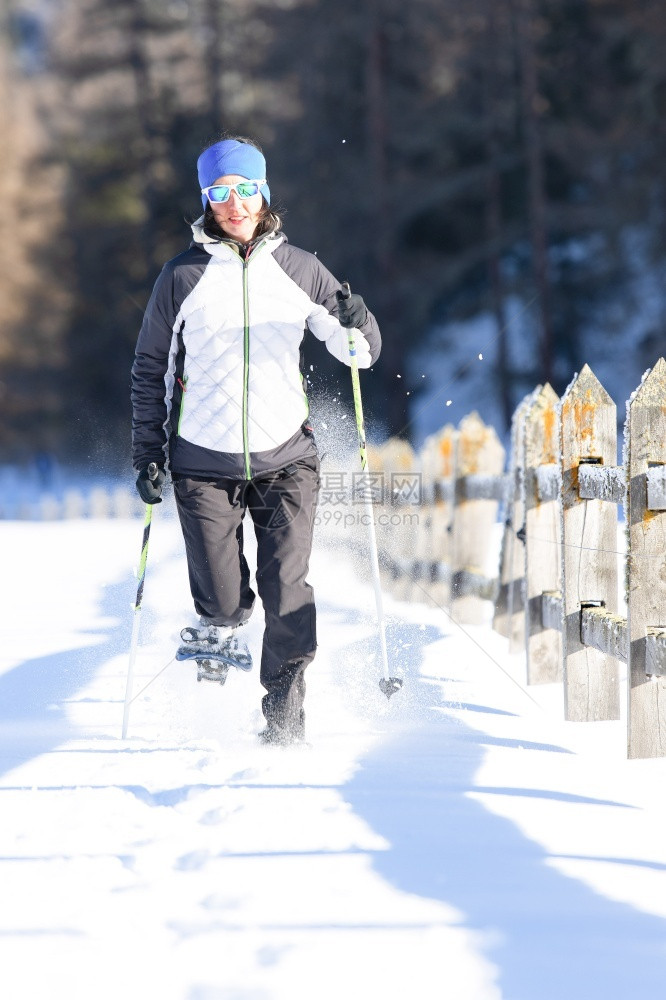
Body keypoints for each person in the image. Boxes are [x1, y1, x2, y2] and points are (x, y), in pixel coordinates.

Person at [131, 135, 381, 745]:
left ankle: (285, 722)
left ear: (263, 193)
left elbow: (360, 354)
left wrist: (358, 321)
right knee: (221, 601)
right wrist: (148, 452)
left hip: (287, 458)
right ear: (206, 199)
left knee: (286, 589)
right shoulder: (180, 277)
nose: (233, 203)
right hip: (201, 462)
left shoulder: (300, 269)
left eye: (245, 189)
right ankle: (216, 638)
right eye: (219, 191)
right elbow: (150, 368)